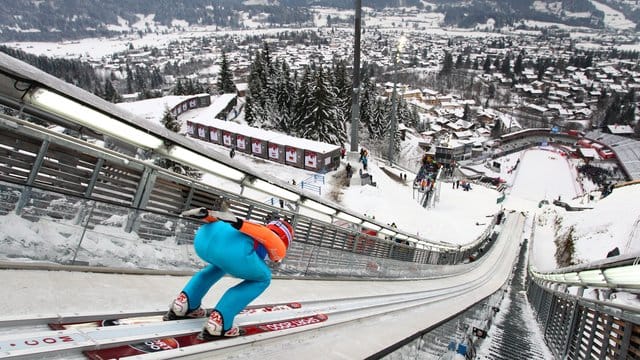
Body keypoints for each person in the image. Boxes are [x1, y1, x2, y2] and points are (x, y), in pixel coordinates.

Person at [163, 207, 294, 340]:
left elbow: (224, 222)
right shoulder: (274, 240)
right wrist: (238, 222)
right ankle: (220, 322)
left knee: (219, 267)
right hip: (234, 252)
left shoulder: (253, 226)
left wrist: (207, 215)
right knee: (263, 278)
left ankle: (184, 304)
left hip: (204, 239)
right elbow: (273, 249)